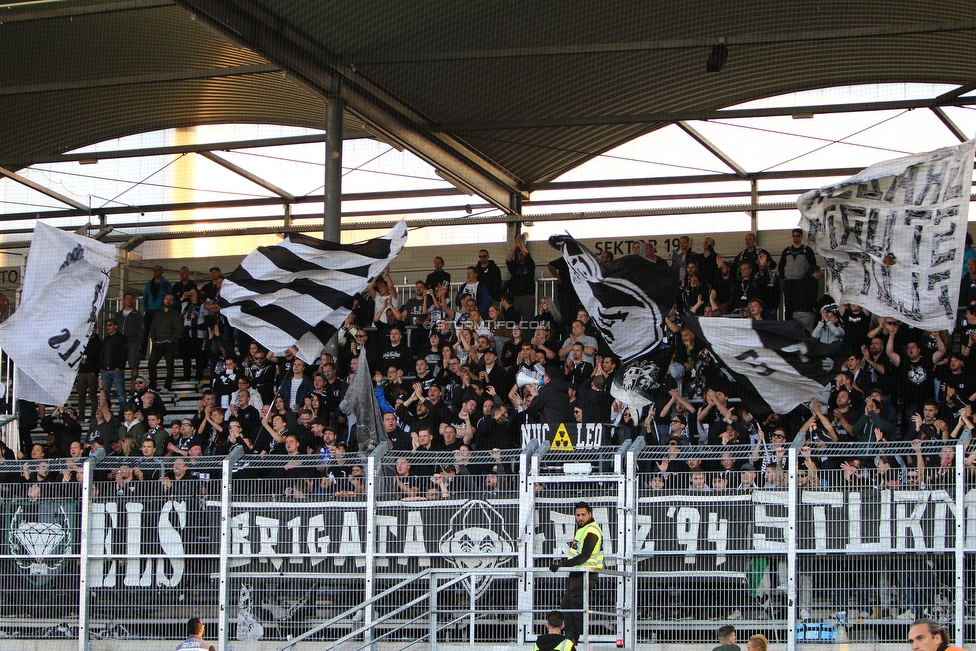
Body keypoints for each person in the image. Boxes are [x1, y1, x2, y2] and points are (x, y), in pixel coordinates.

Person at [549, 502, 603, 645]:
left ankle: (573, 639)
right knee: (566, 604)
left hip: (586, 574)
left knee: (576, 607)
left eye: (583, 515)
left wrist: (563, 564)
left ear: (590, 514)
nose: (580, 517)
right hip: (577, 573)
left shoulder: (592, 530)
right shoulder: (582, 529)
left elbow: (585, 555)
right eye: (578, 515)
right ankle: (570, 637)